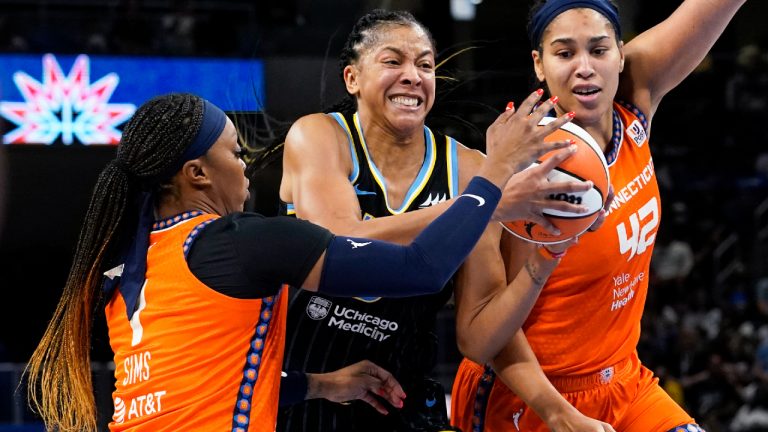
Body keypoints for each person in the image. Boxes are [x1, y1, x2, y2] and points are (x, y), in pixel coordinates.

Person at [22, 83, 572, 431]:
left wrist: (321, 384)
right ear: (197, 174)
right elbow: (420, 269)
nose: (245, 165)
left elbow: (204, 381)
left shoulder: (129, 266)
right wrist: (492, 178)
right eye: (235, 153)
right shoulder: (243, 242)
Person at [274, 9, 607, 432]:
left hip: (399, 402)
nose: (413, 76)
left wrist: (546, 255)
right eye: (393, 61)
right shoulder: (320, 136)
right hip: (301, 392)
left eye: (425, 65)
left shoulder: (470, 172)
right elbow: (340, 247)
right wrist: (482, 204)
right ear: (352, 78)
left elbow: (479, 336)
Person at [450, 1, 747, 431]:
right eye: (564, 53)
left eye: (599, 50)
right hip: (530, 397)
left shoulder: (635, 104)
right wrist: (559, 413)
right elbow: (483, 338)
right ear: (539, 64)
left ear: (621, 54)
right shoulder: (514, 170)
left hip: (625, 380)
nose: (584, 68)